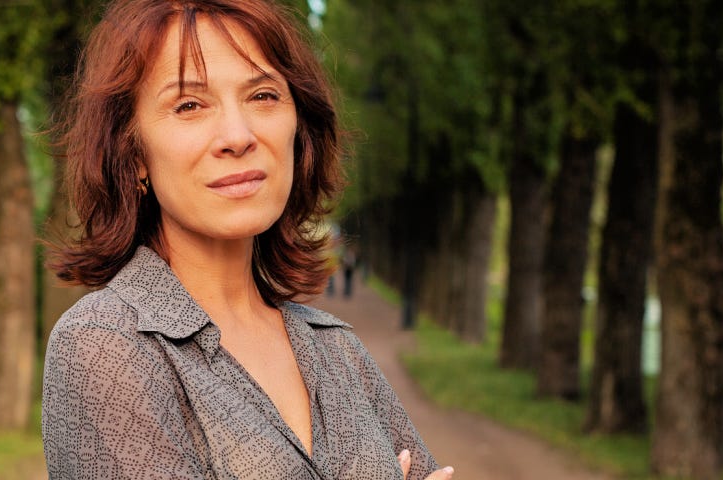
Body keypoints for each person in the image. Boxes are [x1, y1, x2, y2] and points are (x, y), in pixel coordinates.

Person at [42, 1, 454, 478]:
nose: (238, 136)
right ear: (133, 155)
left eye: (262, 96)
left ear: (298, 129)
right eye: (189, 105)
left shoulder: (336, 348)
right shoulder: (103, 345)